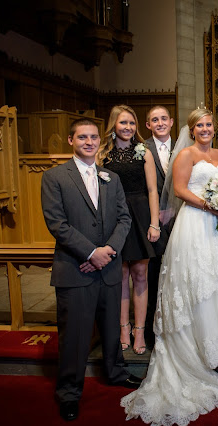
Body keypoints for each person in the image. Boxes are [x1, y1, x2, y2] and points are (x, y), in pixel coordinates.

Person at [121, 109, 218, 426]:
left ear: (215, 127)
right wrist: (210, 205)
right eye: (199, 125)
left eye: (209, 124)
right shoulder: (186, 154)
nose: (205, 129)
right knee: (198, 282)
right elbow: (180, 190)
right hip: (197, 224)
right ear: (191, 129)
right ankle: (197, 347)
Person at [41, 119, 141, 422]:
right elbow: (57, 223)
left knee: (111, 327)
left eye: (93, 137)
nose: (89, 142)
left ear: (99, 140)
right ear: (71, 140)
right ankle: (69, 392)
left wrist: (107, 251)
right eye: (82, 137)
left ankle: (115, 372)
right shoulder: (55, 177)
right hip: (75, 268)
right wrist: (90, 253)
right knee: (74, 335)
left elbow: (124, 218)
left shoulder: (111, 177)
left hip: (108, 267)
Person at [98, 105, 161, 356]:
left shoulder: (143, 152)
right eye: (123, 123)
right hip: (114, 216)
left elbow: (153, 190)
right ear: (113, 125)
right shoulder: (103, 154)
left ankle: (140, 330)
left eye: (132, 123)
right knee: (121, 274)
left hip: (141, 213)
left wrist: (154, 223)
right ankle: (123, 328)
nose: (128, 127)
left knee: (141, 274)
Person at [143, 105, 174, 347]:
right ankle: (152, 329)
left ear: (171, 122)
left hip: (182, 219)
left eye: (164, 118)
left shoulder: (186, 145)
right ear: (148, 125)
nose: (160, 123)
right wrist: (154, 215)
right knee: (153, 275)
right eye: (155, 120)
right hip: (153, 221)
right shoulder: (141, 148)